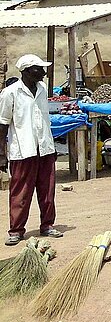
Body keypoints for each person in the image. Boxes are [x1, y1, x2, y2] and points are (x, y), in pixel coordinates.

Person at [0, 54, 63, 246]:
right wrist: (2, 155)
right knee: (20, 192)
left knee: (47, 191)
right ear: (27, 71)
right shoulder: (10, 93)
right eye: (39, 69)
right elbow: (2, 125)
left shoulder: (42, 89)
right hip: (22, 149)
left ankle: (47, 225)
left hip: (44, 148)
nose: (44, 72)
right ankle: (16, 230)